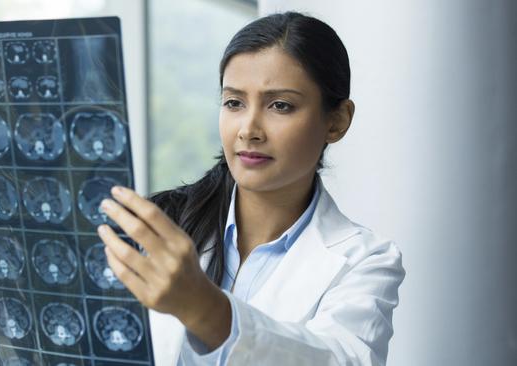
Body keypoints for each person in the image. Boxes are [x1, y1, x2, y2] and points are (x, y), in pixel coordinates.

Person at [96, 11, 405, 366]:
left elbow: (340, 360)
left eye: (280, 105)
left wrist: (204, 308)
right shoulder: (161, 224)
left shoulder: (367, 261)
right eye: (234, 103)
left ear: (337, 121)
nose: (248, 129)